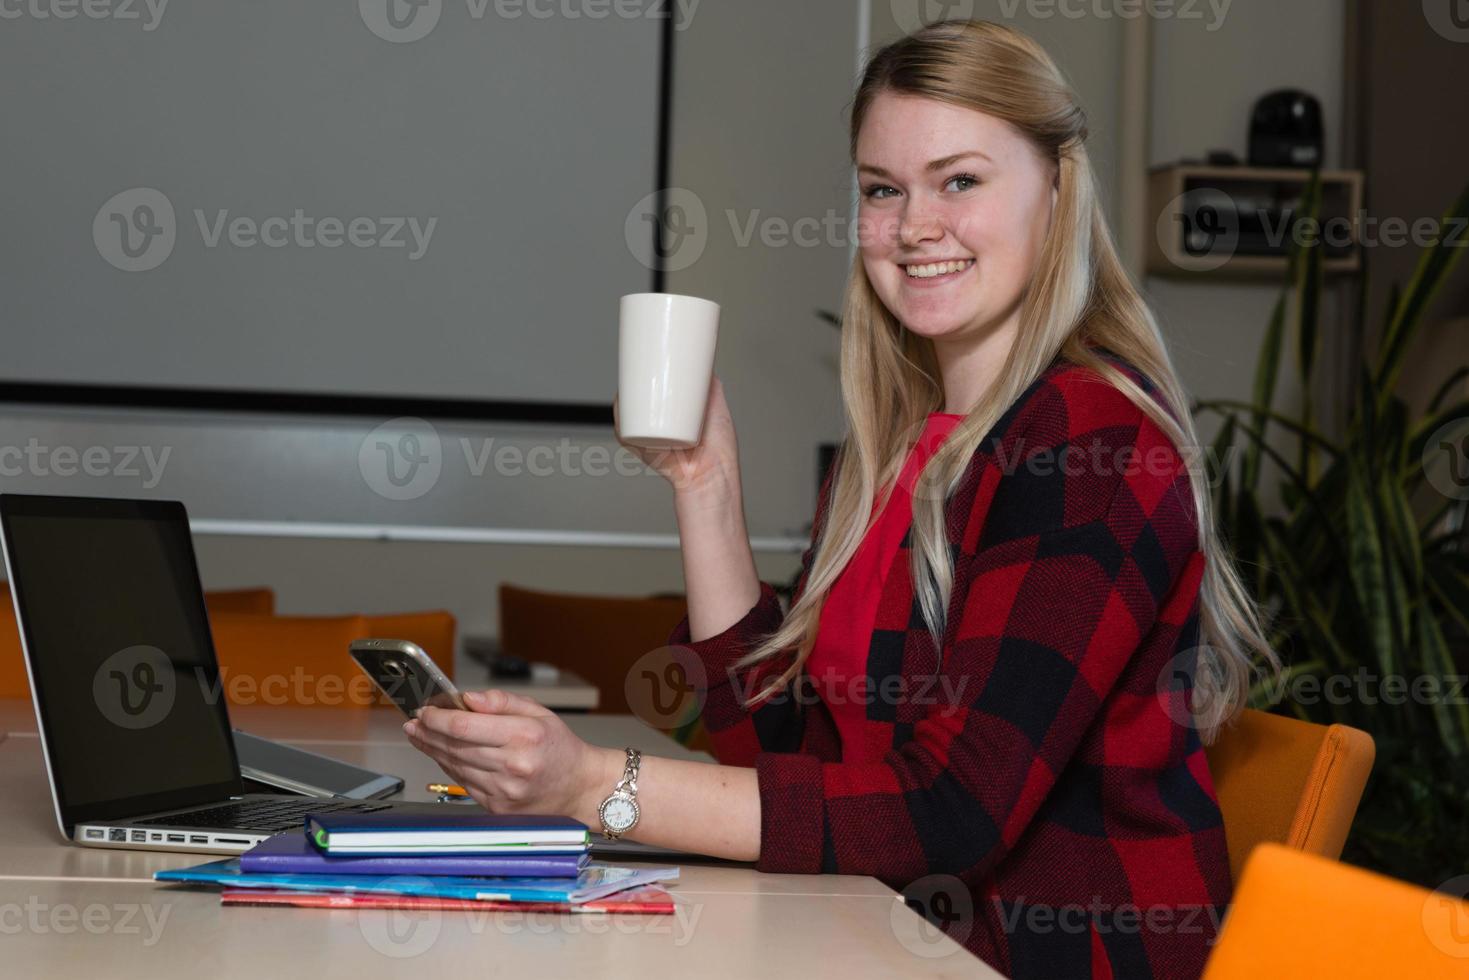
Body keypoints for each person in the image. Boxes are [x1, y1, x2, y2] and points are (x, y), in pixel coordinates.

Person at [403, 19, 1279, 978]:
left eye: (960, 180)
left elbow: (951, 814)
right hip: (891, 939)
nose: (913, 227)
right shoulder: (908, 450)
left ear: (1057, 189)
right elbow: (785, 749)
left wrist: (590, 785)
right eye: (881, 190)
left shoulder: (1090, 444)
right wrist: (705, 484)